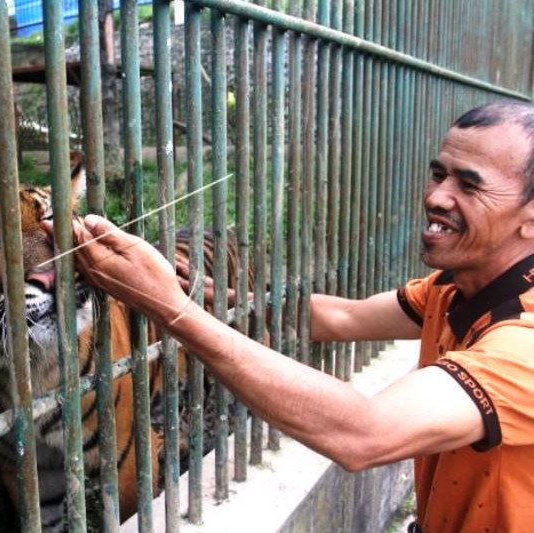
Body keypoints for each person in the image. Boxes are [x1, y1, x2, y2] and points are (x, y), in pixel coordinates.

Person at [43, 101, 534, 532]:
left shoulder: (523, 341)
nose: (436, 196)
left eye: (469, 185)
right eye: (439, 173)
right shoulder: (456, 286)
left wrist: (171, 310)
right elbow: (341, 317)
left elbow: (365, 433)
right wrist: (219, 297)